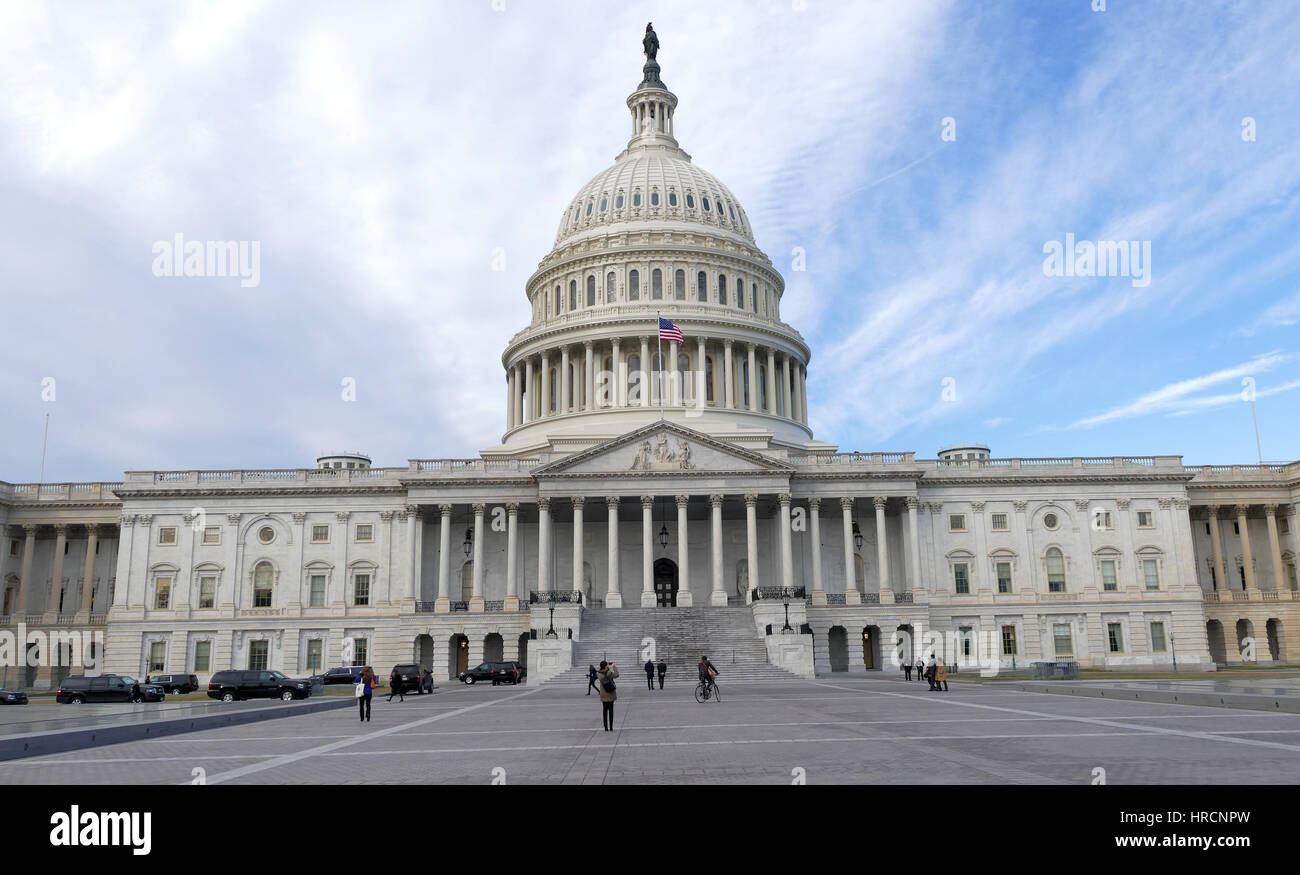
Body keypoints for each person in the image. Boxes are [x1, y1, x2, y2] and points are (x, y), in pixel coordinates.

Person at [596, 660, 619, 731]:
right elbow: (616, 675)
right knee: (611, 711)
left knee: (605, 711)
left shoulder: (598, 673)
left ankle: (606, 727)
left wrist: (607, 668)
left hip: (603, 694)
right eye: (607, 665)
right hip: (610, 694)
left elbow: (603, 673)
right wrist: (614, 667)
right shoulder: (608, 672)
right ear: (605, 666)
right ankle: (611, 727)